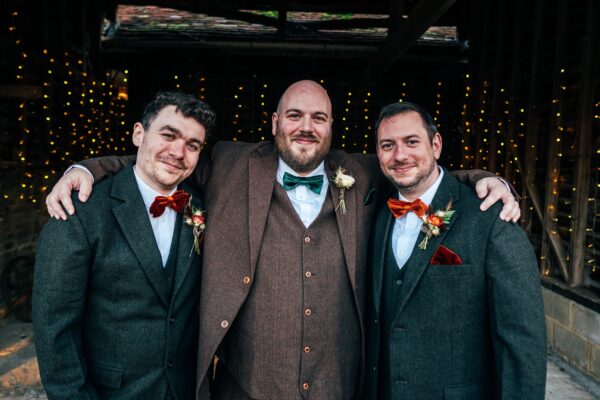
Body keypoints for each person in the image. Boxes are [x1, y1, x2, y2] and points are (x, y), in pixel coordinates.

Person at [45, 80, 520, 399]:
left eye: (319, 117)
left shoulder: (363, 171)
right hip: (243, 387)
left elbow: (419, 171)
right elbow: (161, 163)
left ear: (333, 128)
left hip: (340, 386)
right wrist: (84, 168)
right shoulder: (228, 164)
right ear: (274, 123)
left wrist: (487, 180)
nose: (306, 127)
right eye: (294, 115)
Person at [33, 91, 216, 400]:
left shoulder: (200, 205)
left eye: (192, 145)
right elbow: (54, 328)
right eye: (168, 135)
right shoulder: (81, 210)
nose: (178, 151)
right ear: (138, 134)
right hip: (111, 393)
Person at [364, 102, 546, 400]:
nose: (400, 155)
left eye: (412, 142)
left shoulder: (490, 217)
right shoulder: (374, 213)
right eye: (388, 145)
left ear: (436, 145)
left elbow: (521, 338)